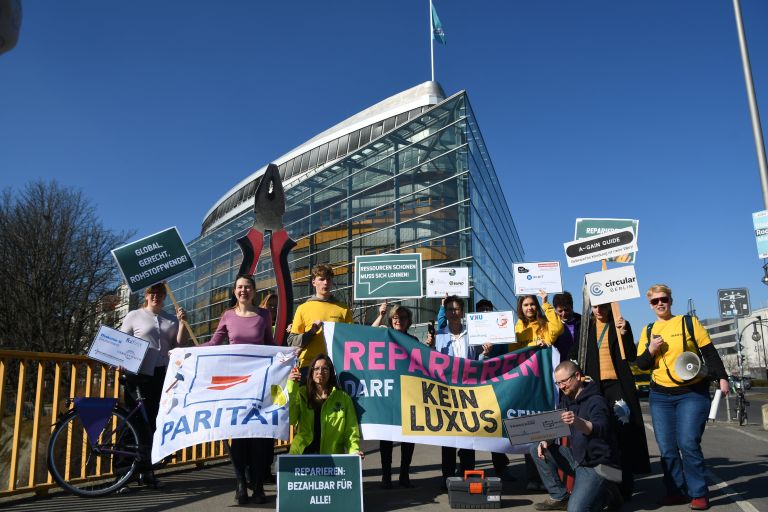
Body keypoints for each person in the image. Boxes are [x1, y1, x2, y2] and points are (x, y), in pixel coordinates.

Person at [636, 284, 729, 510]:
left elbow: (709, 352)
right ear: (650, 305)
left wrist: (722, 378)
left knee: (688, 442)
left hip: (691, 393)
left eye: (663, 299)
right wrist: (651, 349)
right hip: (660, 396)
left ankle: (698, 492)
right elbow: (641, 365)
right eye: (655, 301)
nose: (660, 303)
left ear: (670, 300)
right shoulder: (648, 330)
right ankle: (676, 491)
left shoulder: (688, 323)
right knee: (667, 448)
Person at [568, 303, 650, 501]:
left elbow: (631, 356)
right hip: (595, 389)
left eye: (603, 307)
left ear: (610, 307)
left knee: (624, 435)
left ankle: (625, 485)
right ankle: (608, 486)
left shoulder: (621, 324)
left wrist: (624, 333)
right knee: (601, 436)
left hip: (618, 387)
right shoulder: (585, 330)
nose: (599, 311)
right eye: (595, 307)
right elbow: (574, 357)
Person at [204, 275, 274, 505]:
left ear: (254, 291)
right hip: (235, 384)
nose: (243, 291)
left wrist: (288, 355)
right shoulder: (228, 315)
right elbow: (214, 343)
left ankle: (259, 485)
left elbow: (270, 345)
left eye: (247, 287)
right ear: (235, 291)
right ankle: (240, 483)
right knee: (239, 437)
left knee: (258, 436)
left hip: (259, 383)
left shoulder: (264, 315)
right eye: (239, 287)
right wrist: (186, 351)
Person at [120, 282, 189, 488]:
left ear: (165, 296)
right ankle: (123, 474)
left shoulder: (170, 318)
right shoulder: (134, 315)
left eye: (160, 293)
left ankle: (147, 471)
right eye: (153, 292)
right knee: (131, 423)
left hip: (163, 374)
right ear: (146, 295)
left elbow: (179, 344)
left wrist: (183, 323)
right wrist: (121, 362)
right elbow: (122, 341)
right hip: (138, 373)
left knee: (155, 424)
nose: (156, 296)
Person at [529, 361, 620, 511]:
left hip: (600, 465)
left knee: (577, 510)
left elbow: (601, 428)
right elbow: (557, 428)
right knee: (536, 448)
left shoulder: (597, 401)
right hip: (579, 460)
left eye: (564, 381)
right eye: (558, 383)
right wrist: (546, 440)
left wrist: (578, 422)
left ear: (577, 376)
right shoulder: (566, 400)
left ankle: (610, 489)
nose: (562, 386)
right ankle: (560, 496)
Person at [425, 296, 479, 489]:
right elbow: (431, 361)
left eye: (456, 309)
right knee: (447, 437)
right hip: (445, 391)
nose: (453, 312)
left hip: (467, 391)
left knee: (468, 434)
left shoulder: (473, 335)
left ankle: (469, 475)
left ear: (462, 312)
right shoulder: (439, 335)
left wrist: (486, 351)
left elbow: (478, 360)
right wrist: (429, 346)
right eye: (449, 309)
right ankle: (447, 477)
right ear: (445, 312)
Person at [513, 289, 564, 491]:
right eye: (526, 305)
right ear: (521, 308)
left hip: (545, 384)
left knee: (547, 432)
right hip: (526, 384)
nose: (530, 308)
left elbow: (557, 329)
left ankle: (549, 479)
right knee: (527, 432)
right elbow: (514, 352)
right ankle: (532, 478)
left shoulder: (545, 324)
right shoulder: (518, 327)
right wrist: (533, 344)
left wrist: (546, 302)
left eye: (532, 304)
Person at [372, 302, 417, 488]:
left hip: (409, 394)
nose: (399, 321)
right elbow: (367, 335)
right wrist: (381, 315)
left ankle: (404, 474)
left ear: (409, 321)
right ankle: (386, 476)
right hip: (388, 393)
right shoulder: (384, 335)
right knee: (387, 437)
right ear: (391, 320)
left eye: (403, 318)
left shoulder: (413, 341)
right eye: (395, 318)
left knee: (409, 437)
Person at [287, 353, 363, 457]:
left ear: (331, 372)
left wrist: (354, 451)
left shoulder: (343, 398)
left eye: (325, 369)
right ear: (311, 372)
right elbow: (291, 418)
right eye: (316, 368)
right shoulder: (301, 394)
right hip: (302, 454)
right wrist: (291, 386)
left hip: (332, 458)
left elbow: (351, 430)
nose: (320, 372)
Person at [287, 264, 352, 380]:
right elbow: (292, 342)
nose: (325, 282)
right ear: (313, 282)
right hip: (309, 367)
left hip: (335, 368)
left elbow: (351, 340)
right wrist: (311, 332)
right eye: (321, 279)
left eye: (328, 279)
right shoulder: (303, 308)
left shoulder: (343, 309)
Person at [552, 292, 581, 359]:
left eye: (566, 310)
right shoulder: (551, 325)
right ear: (555, 310)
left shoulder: (583, 322)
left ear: (572, 307)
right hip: (561, 364)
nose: (564, 313)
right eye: (560, 311)